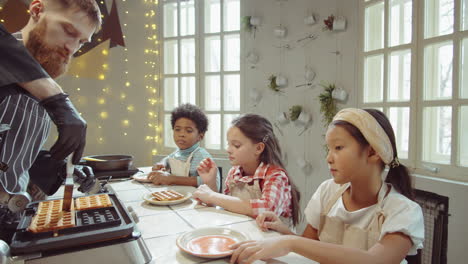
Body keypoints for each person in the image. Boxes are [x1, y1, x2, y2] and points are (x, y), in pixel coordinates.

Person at [229, 108, 424, 264]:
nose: (329, 158)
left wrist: (290, 241)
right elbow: (309, 246)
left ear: (372, 152)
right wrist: (282, 231)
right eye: (328, 149)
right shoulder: (327, 191)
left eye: (338, 148)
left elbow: (375, 260)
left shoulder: (403, 211)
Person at [0, 0, 101, 241]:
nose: (71, 48)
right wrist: (56, 99)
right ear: (36, 10)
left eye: (81, 42)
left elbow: (15, 155)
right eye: (68, 31)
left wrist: (62, 166)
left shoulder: (46, 88)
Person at [192, 114, 300, 226]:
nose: (228, 150)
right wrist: (211, 183)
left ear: (258, 148)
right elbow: (226, 206)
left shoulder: (275, 176)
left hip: (275, 239)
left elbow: (267, 209)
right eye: (229, 144)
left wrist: (212, 196)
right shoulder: (234, 173)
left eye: (236, 145)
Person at [148, 103, 220, 192]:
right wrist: (161, 164)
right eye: (177, 129)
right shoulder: (177, 153)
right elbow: (166, 160)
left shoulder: (201, 156)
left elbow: (213, 182)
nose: (181, 134)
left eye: (189, 131)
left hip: (196, 202)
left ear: (200, 136)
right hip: (177, 197)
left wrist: (171, 179)